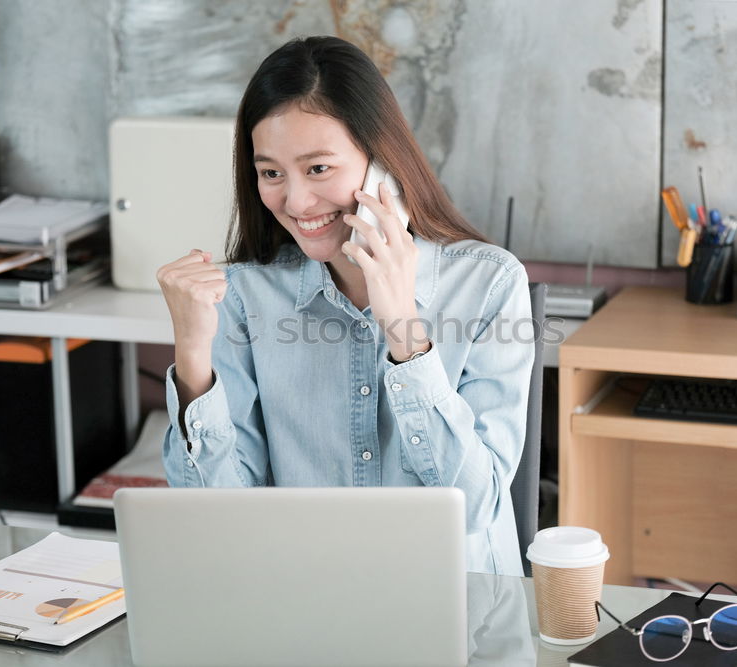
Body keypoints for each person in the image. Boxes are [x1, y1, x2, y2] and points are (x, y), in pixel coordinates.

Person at [157, 36, 534, 576]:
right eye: (271, 173)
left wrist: (404, 329)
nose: (296, 202)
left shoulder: (490, 284)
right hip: (306, 605)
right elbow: (214, 519)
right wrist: (193, 354)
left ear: (382, 164)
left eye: (317, 169)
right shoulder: (243, 296)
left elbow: (476, 506)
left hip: (457, 618)